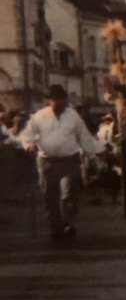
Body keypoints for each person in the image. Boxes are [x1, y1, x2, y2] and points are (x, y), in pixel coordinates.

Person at [20, 84, 97, 241]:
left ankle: (68, 223)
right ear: (50, 101)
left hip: (70, 159)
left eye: (61, 99)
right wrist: (29, 146)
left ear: (65, 99)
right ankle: (56, 227)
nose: (59, 103)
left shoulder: (73, 116)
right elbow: (27, 135)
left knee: (69, 192)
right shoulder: (39, 117)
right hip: (47, 161)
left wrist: (92, 157)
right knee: (50, 195)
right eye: (55, 100)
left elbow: (84, 137)